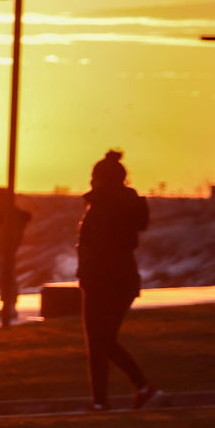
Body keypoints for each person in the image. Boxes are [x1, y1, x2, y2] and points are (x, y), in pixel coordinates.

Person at [76, 149, 154, 410]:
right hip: (123, 280)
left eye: (93, 177)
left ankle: (130, 391)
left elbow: (94, 245)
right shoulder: (129, 204)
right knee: (103, 342)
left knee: (99, 342)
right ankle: (125, 393)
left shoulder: (101, 206)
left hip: (100, 280)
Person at [0, 186, 35, 324]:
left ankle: (9, 307)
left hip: (6, 250)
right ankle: (8, 306)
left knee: (7, 278)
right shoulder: (9, 213)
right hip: (2, 249)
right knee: (5, 278)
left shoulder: (10, 214)